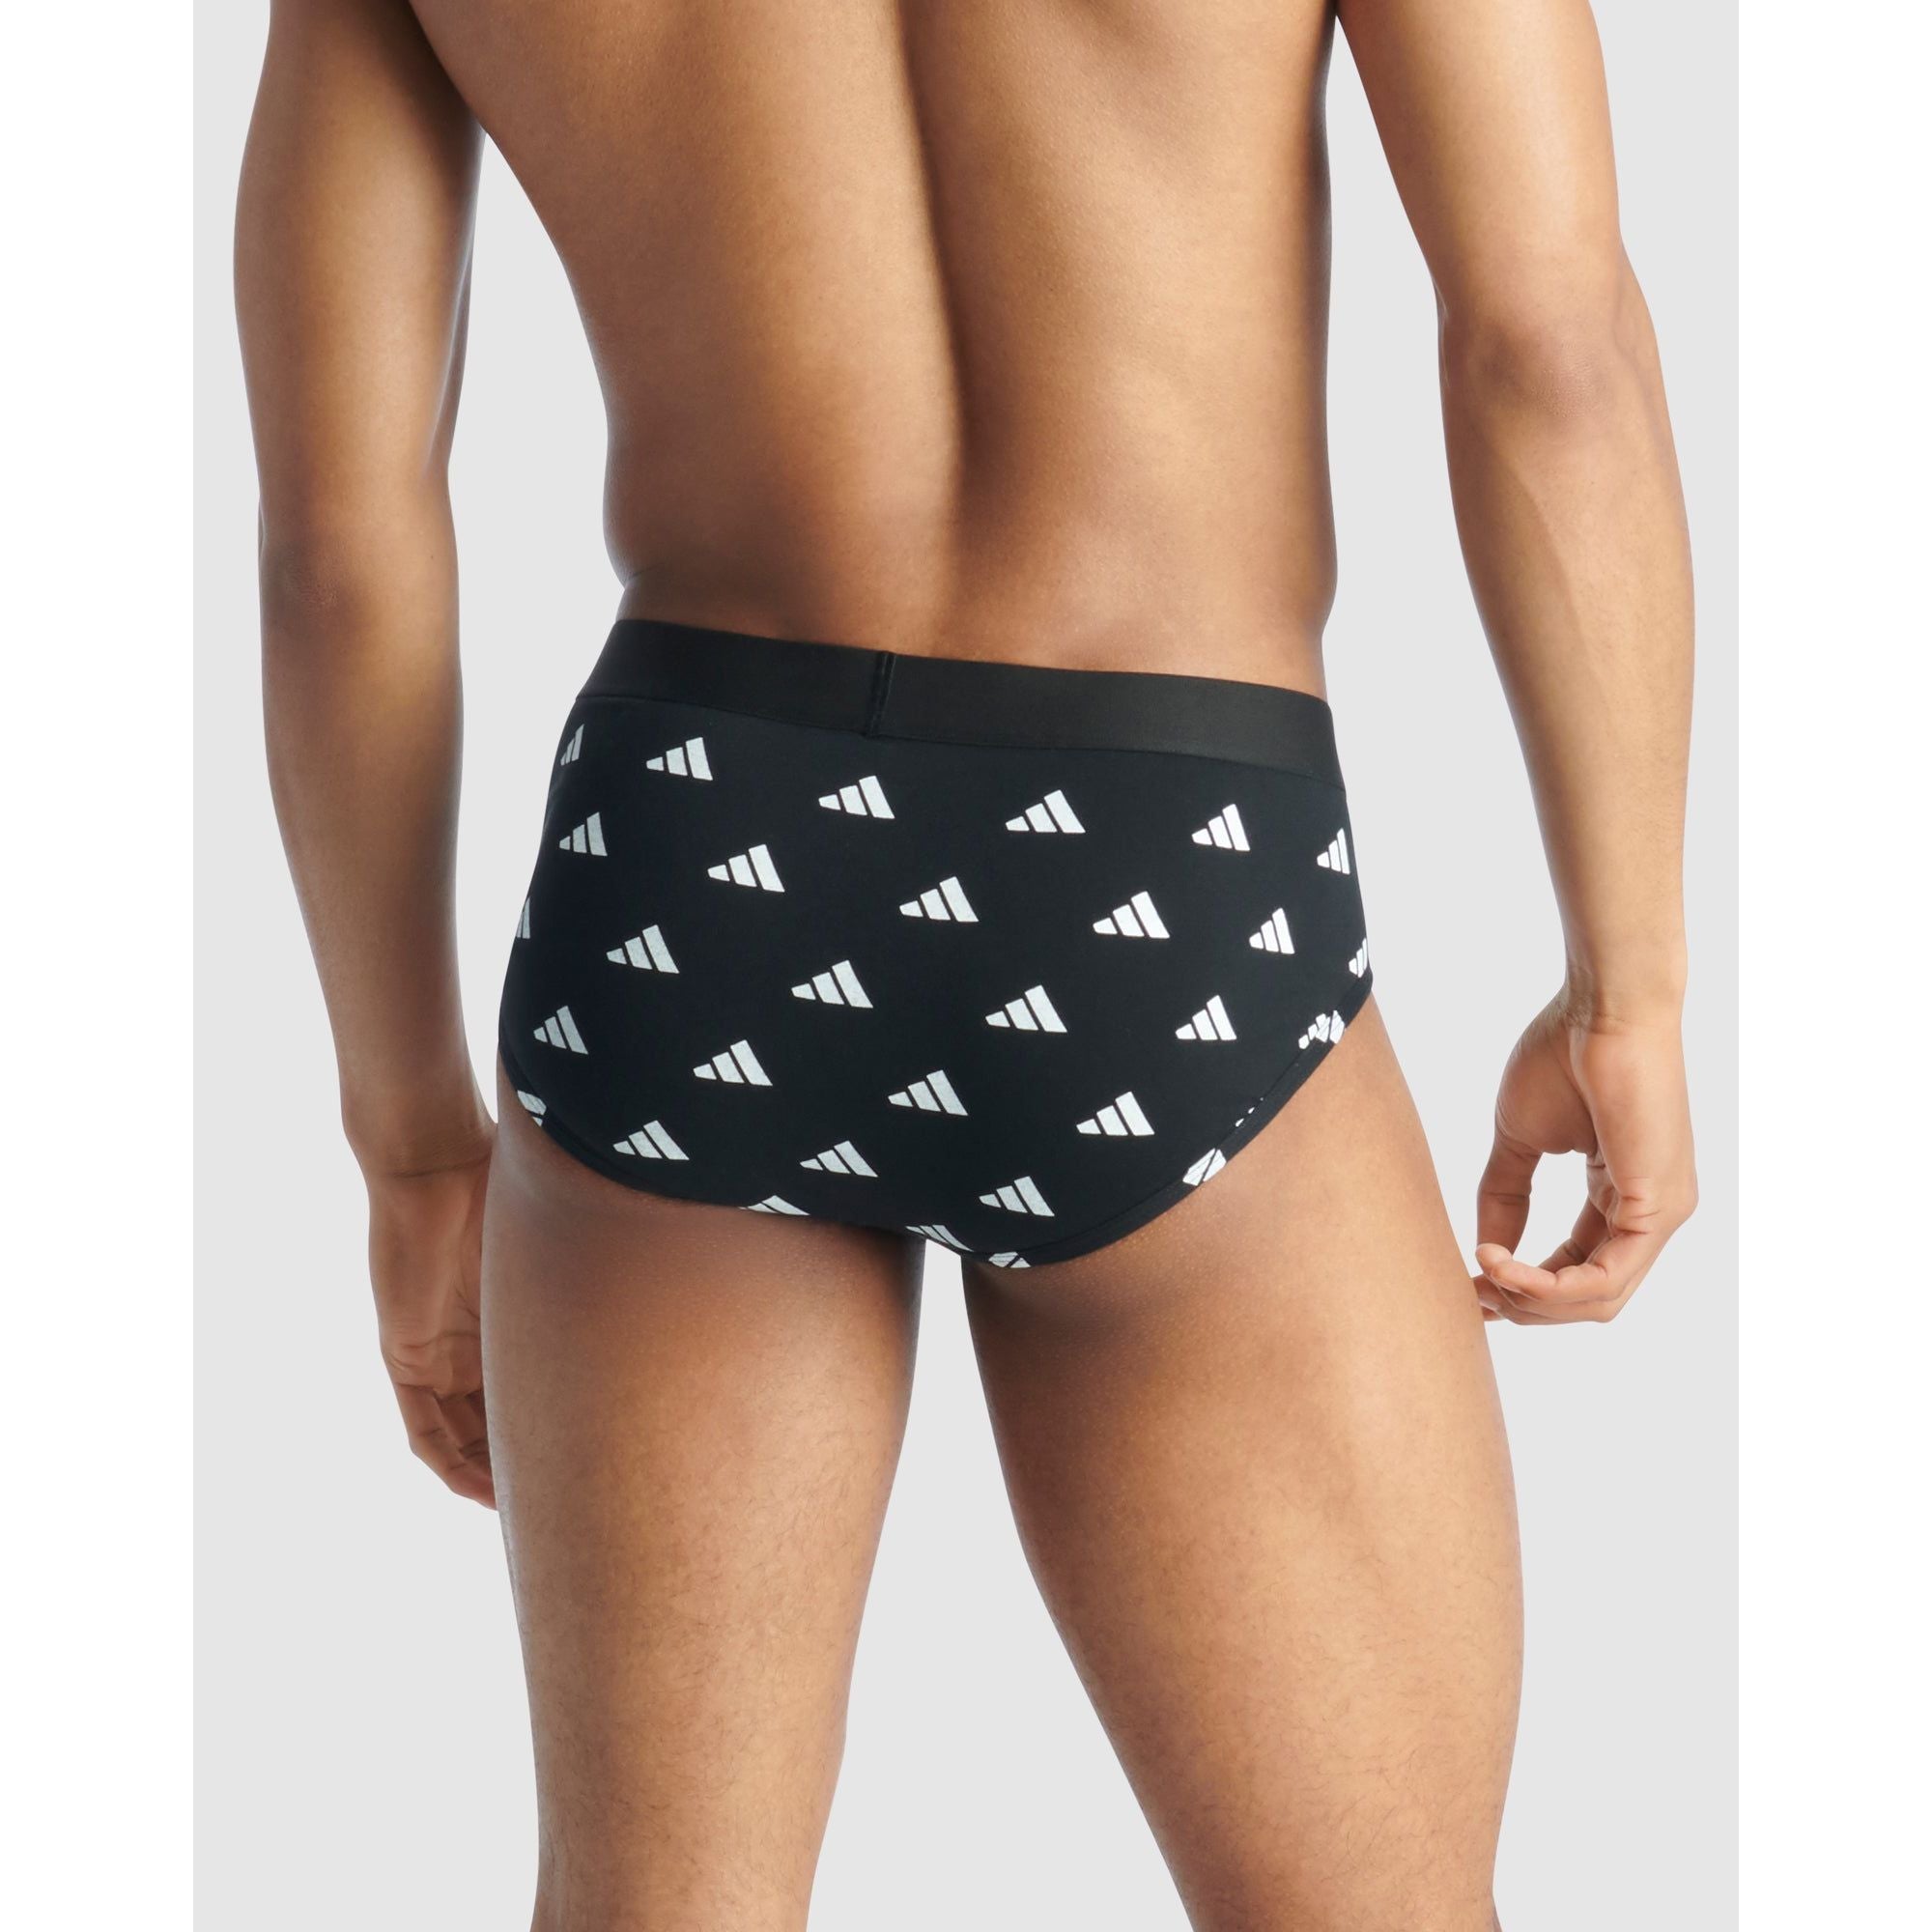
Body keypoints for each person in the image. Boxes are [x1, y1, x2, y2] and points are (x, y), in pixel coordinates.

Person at [236, 0, 1696, 1922]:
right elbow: (1547, 342)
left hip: (695, 876)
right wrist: (1625, 986)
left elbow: (339, 542)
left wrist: (414, 1143)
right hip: (1162, 854)